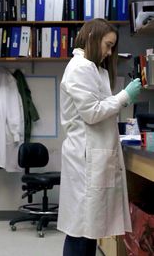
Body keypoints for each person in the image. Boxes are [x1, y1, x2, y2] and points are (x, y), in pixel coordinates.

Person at [58, 18, 141, 256]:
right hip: (86, 158)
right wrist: (124, 96)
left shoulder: (93, 68)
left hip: (93, 155)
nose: (109, 51)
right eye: (108, 44)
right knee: (80, 230)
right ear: (93, 38)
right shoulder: (80, 67)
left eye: (112, 46)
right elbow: (93, 112)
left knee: (88, 231)